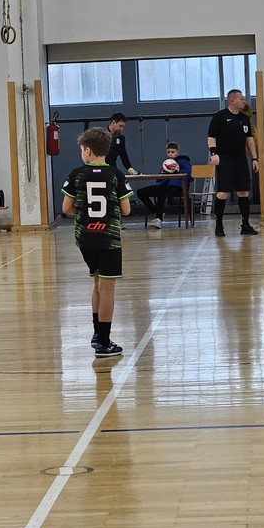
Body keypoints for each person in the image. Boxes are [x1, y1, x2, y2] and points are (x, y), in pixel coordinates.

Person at [61, 127, 132, 358]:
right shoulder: (116, 175)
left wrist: (85, 214)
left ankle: (97, 333)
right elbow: (126, 209)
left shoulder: (76, 174)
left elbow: (66, 208)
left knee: (97, 283)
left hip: (85, 239)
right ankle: (103, 342)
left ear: (88, 151)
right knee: (107, 288)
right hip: (108, 239)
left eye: (81, 150)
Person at [208, 89, 260, 237]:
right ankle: (219, 225)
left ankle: (245, 225)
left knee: (243, 191)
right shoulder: (219, 117)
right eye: (241, 99)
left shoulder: (244, 119)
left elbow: (249, 139)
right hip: (225, 158)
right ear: (232, 100)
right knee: (223, 192)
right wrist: (214, 153)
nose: (244, 101)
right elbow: (211, 137)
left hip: (240, 158)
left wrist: (254, 158)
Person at [136, 142, 192, 229]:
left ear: (177, 152)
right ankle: (155, 211)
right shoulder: (166, 163)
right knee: (140, 192)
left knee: (162, 192)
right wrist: (162, 174)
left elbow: (190, 176)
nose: (170, 154)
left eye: (172, 152)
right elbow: (158, 180)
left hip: (176, 187)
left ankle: (158, 219)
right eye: (168, 152)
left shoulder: (184, 161)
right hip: (162, 185)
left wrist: (179, 170)